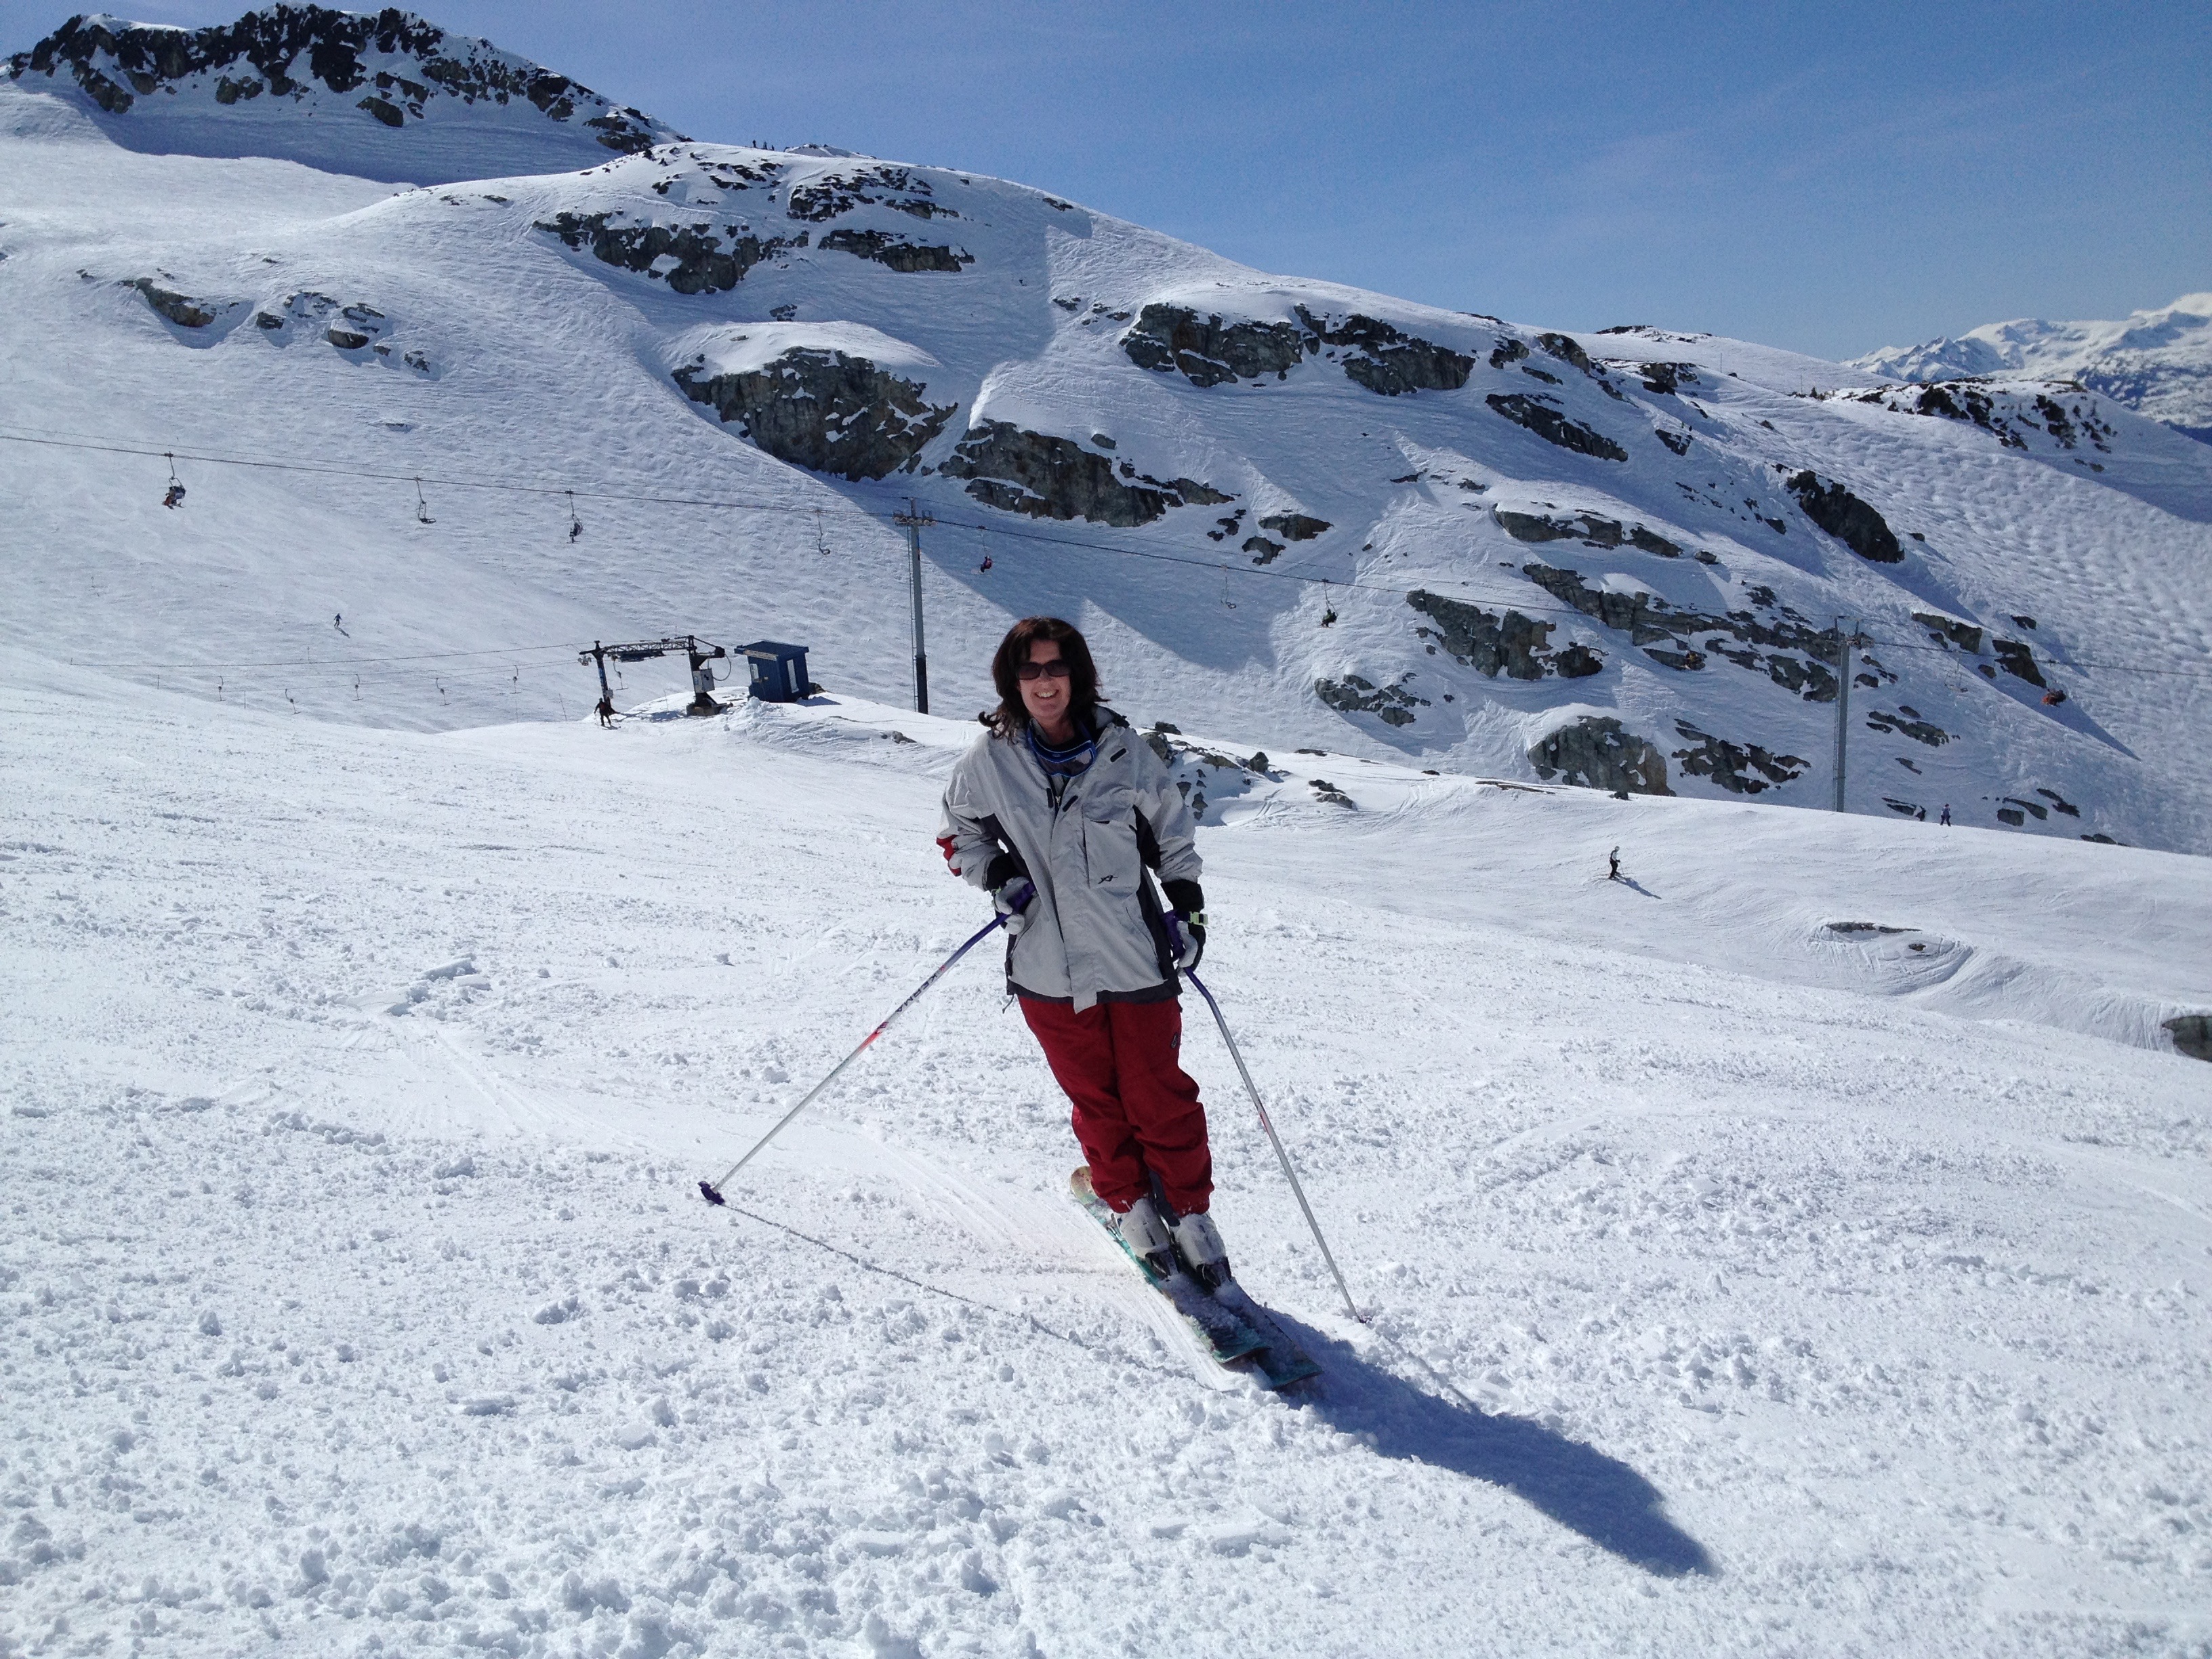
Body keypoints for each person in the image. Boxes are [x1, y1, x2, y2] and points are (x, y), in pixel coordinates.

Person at [937, 617, 1227, 1286]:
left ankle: (1190, 1215)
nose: (1045, 682)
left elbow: (1174, 838)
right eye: (1030, 669)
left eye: (1056, 667)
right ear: (1013, 681)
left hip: (1135, 959)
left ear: (1078, 675)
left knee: (1159, 1094)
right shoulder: (989, 761)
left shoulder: (1123, 752)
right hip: (1047, 968)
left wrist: (1189, 911)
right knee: (1095, 1098)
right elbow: (958, 835)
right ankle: (1130, 1205)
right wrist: (1000, 878)